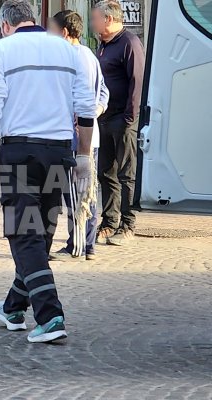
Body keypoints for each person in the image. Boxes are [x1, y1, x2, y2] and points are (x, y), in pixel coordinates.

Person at [0, 0, 96, 343]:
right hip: (59, 152)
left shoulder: (1, 51)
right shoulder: (68, 50)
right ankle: (13, 305)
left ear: (4, 25)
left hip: (19, 152)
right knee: (41, 233)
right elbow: (85, 107)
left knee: (25, 233)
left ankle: (50, 315)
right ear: (34, 19)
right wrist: (84, 154)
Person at [48, 10, 109, 262]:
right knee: (85, 190)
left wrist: (87, 114)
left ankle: (80, 245)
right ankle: (87, 243)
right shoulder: (90, 55)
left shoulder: (73, 57)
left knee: (77, 193)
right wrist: (97, 110)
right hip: (86, 135)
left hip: (77, 138)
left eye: (51, 30)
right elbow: (104, 91)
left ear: (64, 32)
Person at [91, 0, 145, 246]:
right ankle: (109, 222)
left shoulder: (129, 43)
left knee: (126, 173)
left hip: (123, 119)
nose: (93, 23)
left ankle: (127, 224)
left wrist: (129, 118)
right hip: (103, 119)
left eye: (96, 19)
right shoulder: (103, 45)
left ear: (109, 20)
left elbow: (137, 83)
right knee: (105, 173)